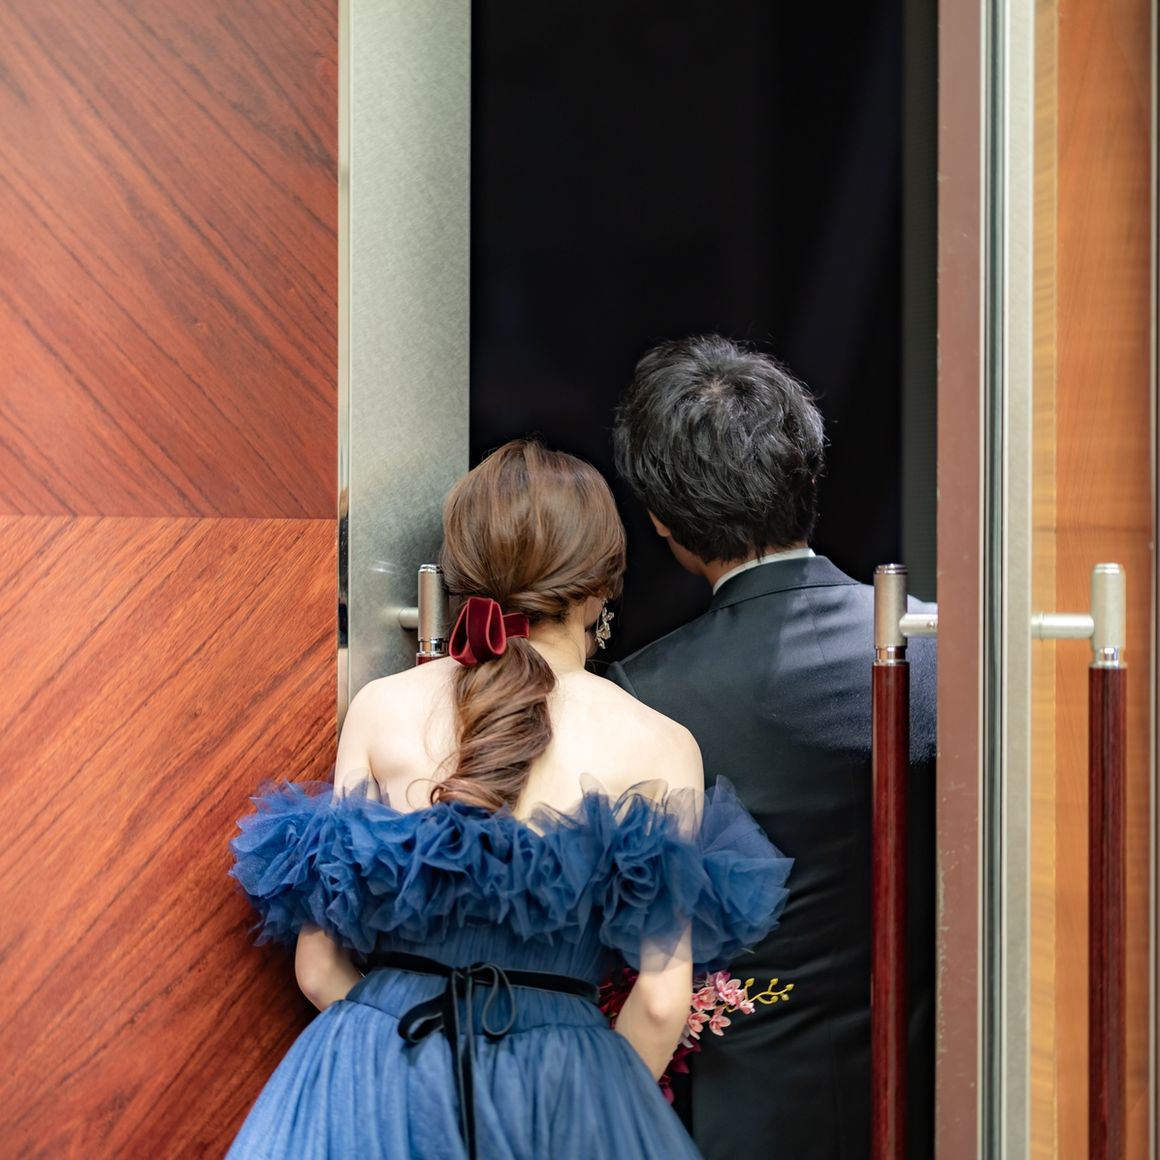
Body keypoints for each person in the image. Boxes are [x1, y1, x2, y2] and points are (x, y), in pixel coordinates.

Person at [227, 439, 792, 1160]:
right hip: (560, 1088)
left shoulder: (381, 707)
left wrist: (409, 1063)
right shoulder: (660, 744)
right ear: (601, 587)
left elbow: (317, 969)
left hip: (378, 1077)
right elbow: (658, 1002)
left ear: (463, 571)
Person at [608, 336, 936, 1160]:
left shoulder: (643, 695)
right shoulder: (940, 651)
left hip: (738, 1108)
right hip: (932, 1093)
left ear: (661, 520)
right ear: (808, 474)